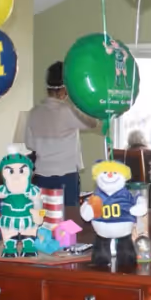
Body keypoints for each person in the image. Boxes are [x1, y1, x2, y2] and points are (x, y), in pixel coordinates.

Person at [24, 61, 99, 227]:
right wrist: (78, 100)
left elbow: (30, 144)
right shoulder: (68, 111)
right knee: (67, 222)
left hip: (41, 175)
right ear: (66, 88)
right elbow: (94, 123)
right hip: (66, 176)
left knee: (43, 221)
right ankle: (66, 251)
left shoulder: (34, 112)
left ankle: (44, 250)